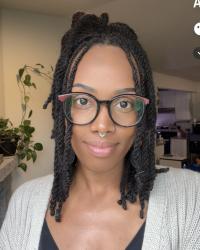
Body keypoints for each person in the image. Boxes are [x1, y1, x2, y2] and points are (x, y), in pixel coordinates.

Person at [0, 12, 200, 250]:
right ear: (60, 108)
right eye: (83, 101)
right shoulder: (24, 202)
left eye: (124, 103)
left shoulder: (191, 197)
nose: (103, 126)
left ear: (143, 113)